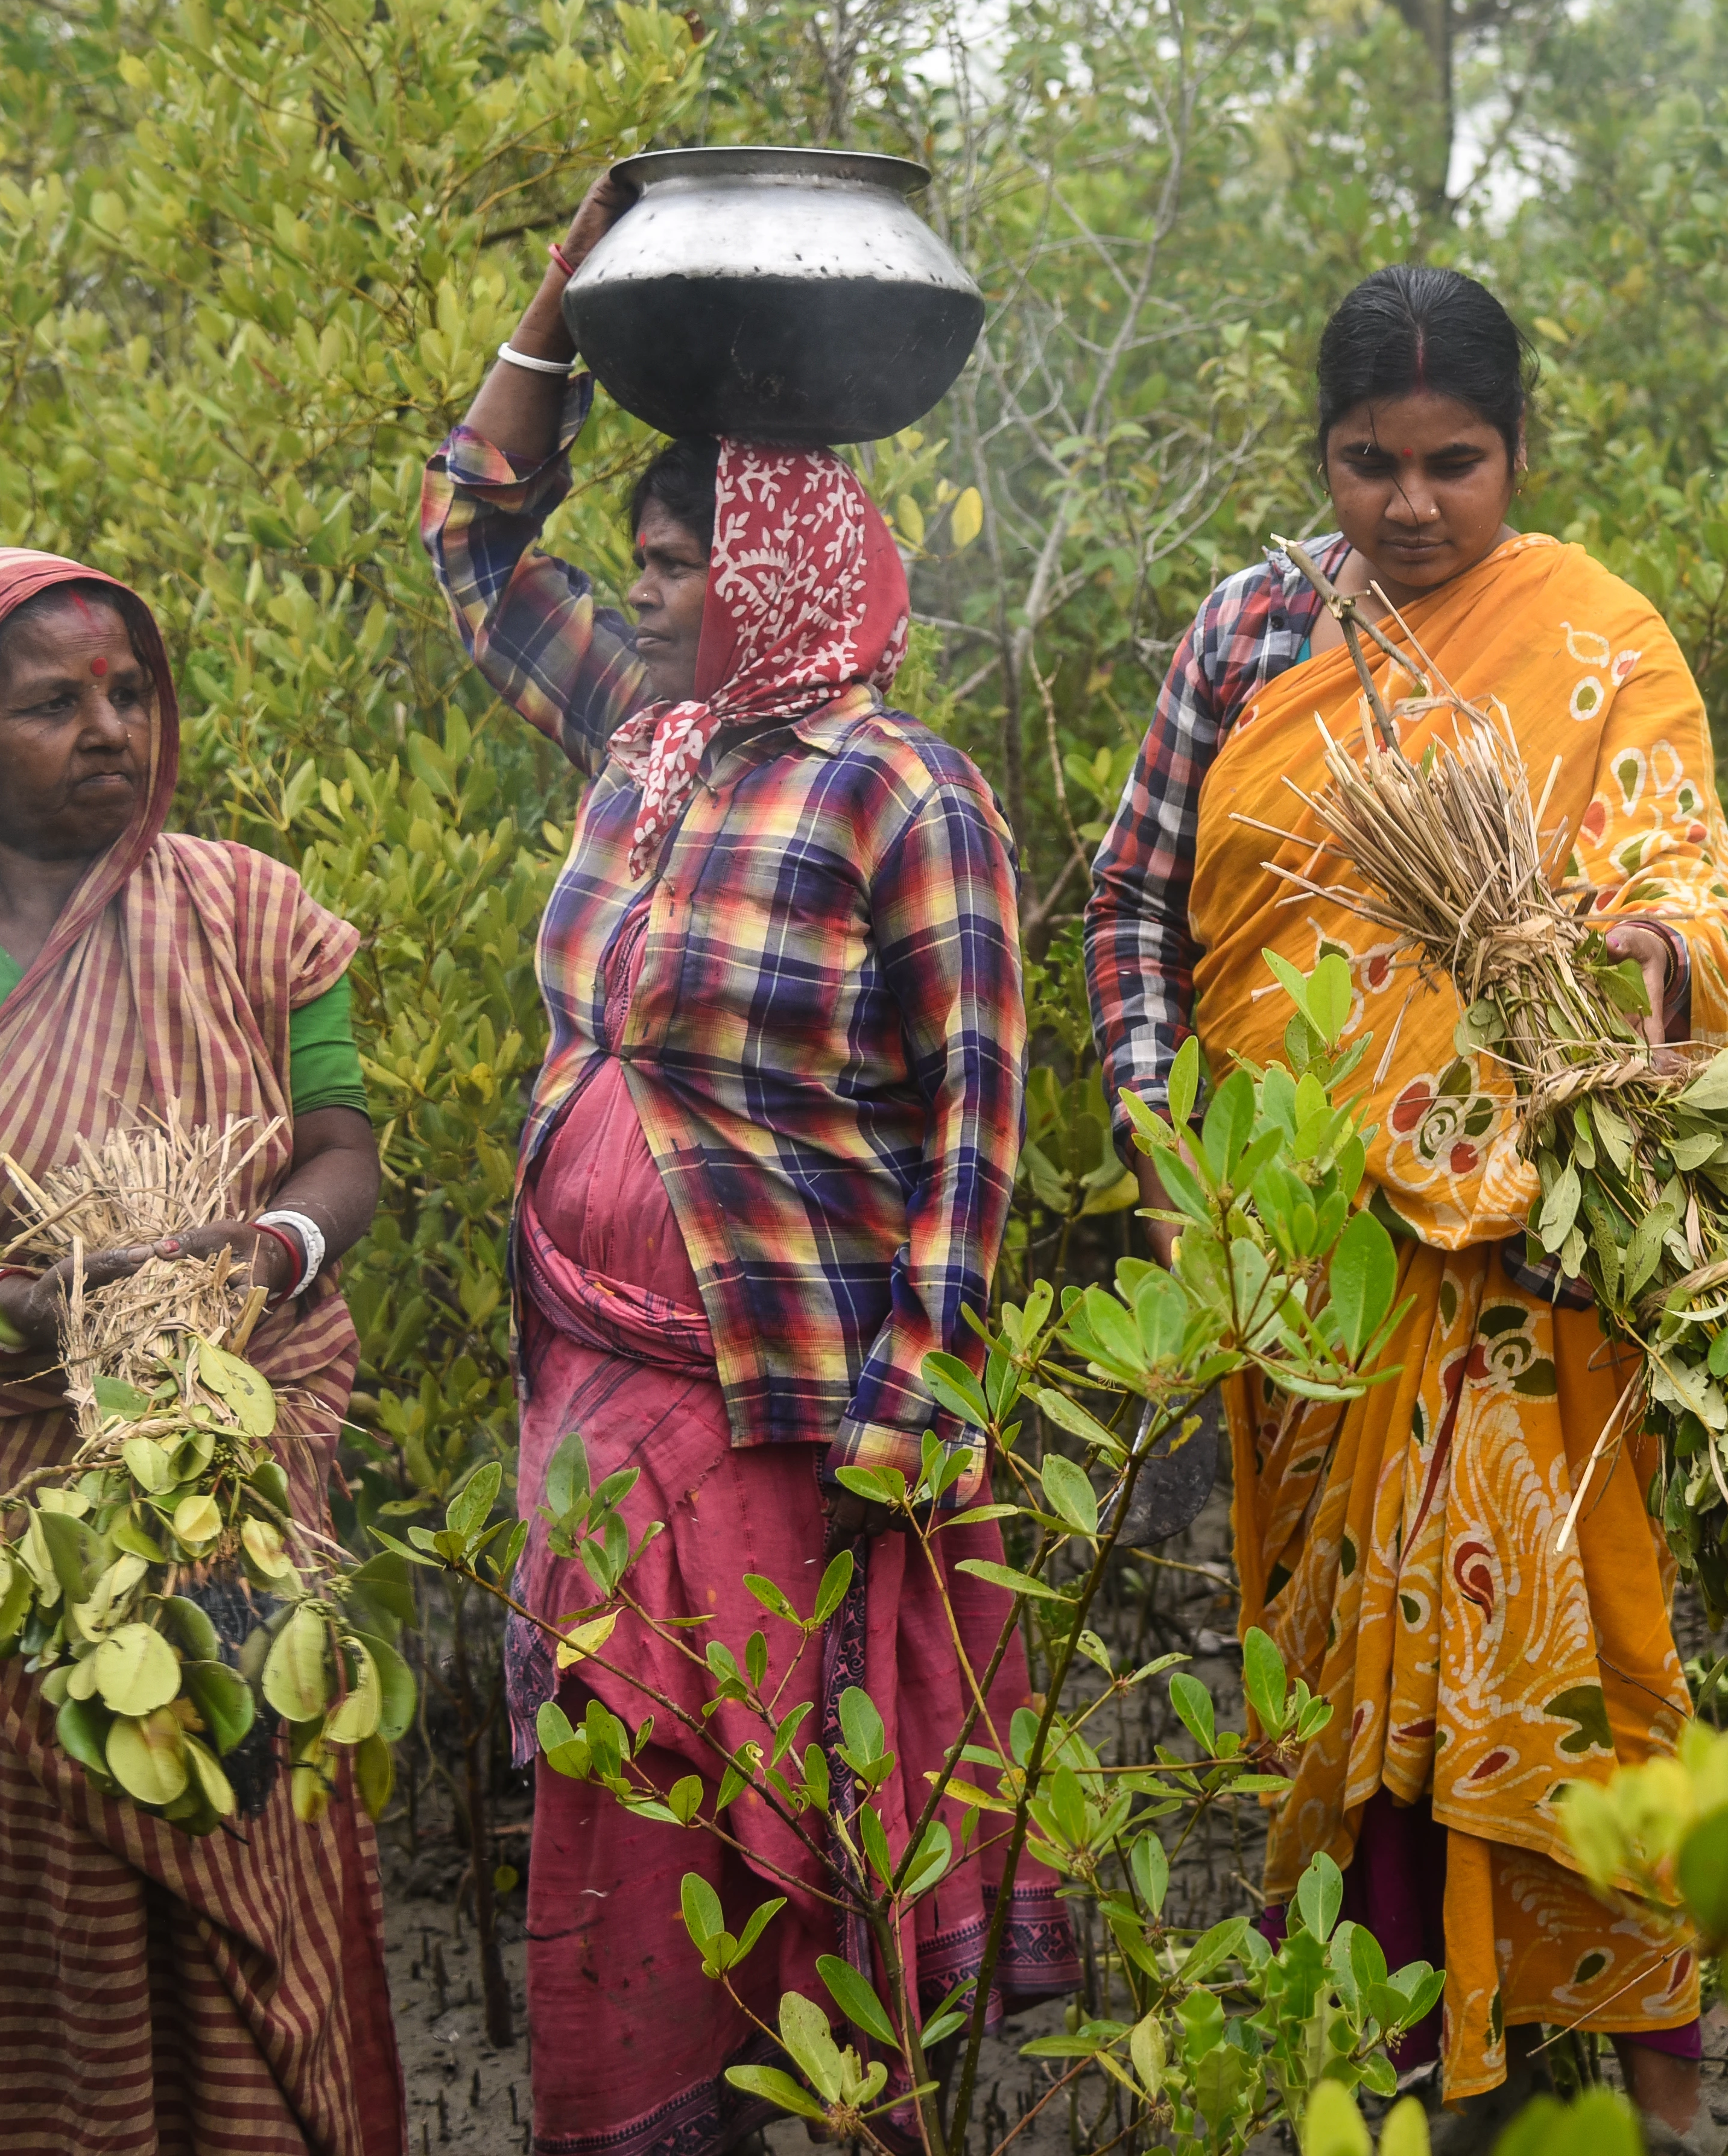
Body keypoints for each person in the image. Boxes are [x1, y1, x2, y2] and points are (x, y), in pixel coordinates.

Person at [1084, 266, 1728, 2144]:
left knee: (1596, 1679)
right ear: (1318, 457)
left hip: (1535, 1259)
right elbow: (1138, 904)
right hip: (1308, 1263)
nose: (1410, 505)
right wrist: (1168, 1154)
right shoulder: (1249, 635)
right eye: (1368, 463)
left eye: (1453, 465)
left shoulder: (1594, 633)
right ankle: (1398, 2092)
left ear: (1519, 452)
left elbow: (1698, 901)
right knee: (1346, 1693)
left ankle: (1653, 2106)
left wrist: (1629, 956)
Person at [425, 171, 1067, 2156]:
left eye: (678, 557)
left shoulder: (902, 788)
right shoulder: (649, 739)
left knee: (798, 1838)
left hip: (784, 1422)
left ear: (779, 558)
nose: (643, 592)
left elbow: (978, 1127)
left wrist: (919, 1397)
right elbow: (471, 540)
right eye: (639, 558)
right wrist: (555, 300)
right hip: (598, 1394)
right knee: (628, 1819)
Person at [0, 549, 404, 2156]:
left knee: (235, 1821)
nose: (108, 729)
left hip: (231, 1495)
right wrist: (37, 1314)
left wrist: (264, 1252)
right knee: (11, 1913)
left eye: (130, 693)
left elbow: (341, 1150)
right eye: (51, 702)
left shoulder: (248, 913)